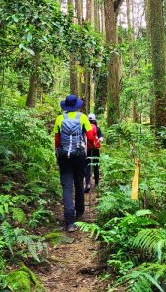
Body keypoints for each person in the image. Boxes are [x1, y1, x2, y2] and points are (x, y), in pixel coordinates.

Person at [53, 94, 94, 232]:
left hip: (64, 157)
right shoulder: (82, 117)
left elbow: (57, 140)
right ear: (76, 106)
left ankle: (69, 222)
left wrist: (58, 154)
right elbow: (90, 136)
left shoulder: (59, 119)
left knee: (67, 187)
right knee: (79, 182)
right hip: (79, 156)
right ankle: (80, 211)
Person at [84, 113, 103, 193]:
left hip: (87, 149)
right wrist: (98, 140)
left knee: (87, 166)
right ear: (95, 120)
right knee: (96, 166)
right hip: (95, 149)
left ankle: (87, 183)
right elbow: (101, 139)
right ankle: (96, 184)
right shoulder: (97, 128)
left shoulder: (85, 128)